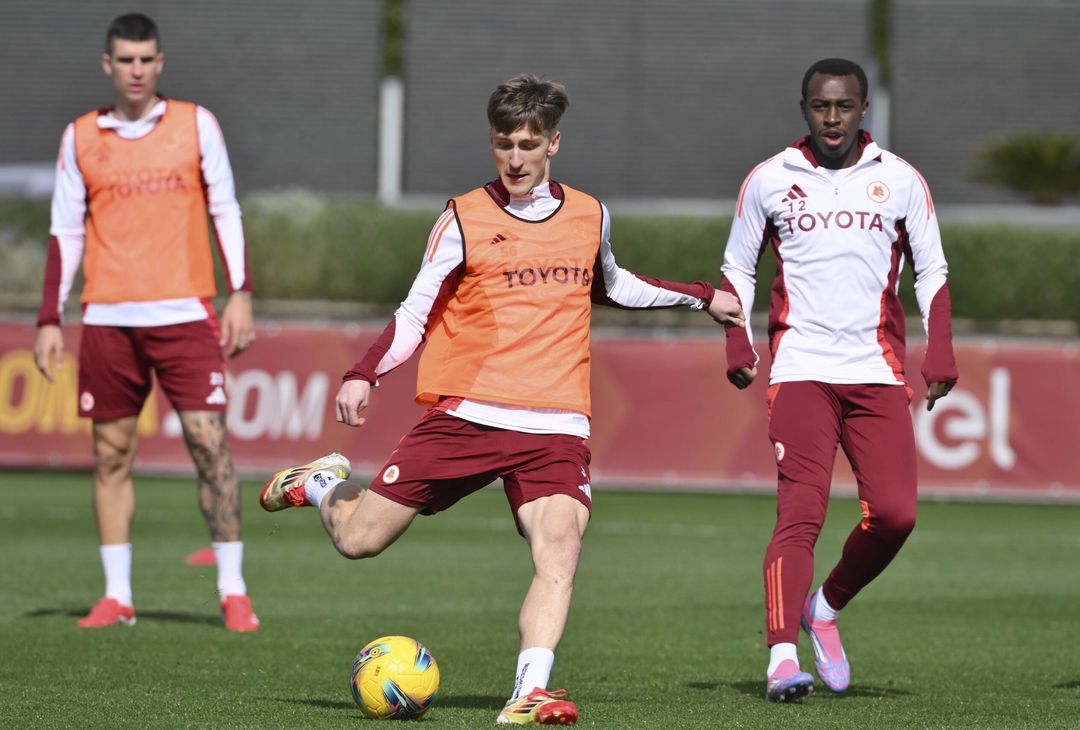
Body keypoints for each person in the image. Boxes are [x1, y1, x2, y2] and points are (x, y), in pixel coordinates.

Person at [260, 74, 745, 724]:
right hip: (468, 413)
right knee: (358, 540)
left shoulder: (588, 213)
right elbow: (414, 312)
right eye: (502, 144)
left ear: (553, 144)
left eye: (527, 143)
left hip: (555, 422)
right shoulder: (462, 217)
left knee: (561, 547)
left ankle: (528, 692)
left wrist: (701, 296)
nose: (514, 158)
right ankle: (320, 485)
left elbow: (612, 284)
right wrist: (364, 373)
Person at [719, 58, 958, 701]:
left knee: (898, 516)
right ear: (805, 108)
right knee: (800, 514)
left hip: (876, 373)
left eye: (845, 106)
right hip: (800, 370)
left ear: (863, 110)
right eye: (821, 106)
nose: (832, 118)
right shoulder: (769, 179)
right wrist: (737, 336)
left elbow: (931, 272)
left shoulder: (902, 180)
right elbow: (737, 270)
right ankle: (780, 659)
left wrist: (941, 354)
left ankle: (823, 607)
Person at [33, 13, 259, 632]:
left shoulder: (196, 124)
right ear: (107, 65)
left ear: (160, 63)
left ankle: (233, 591)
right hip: (107, 318)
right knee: (111, 455)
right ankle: (117, 594)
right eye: (125, 60)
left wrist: (239, 293)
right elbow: (64, 231)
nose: (137, 70)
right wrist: (50, 316)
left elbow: (226, 208)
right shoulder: (80, 136)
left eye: (146, 59)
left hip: (186, 313)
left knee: (210, 448)